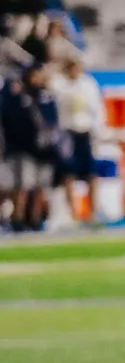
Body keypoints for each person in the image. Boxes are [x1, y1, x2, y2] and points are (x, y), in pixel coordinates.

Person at [1, 63, 57, 232]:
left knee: (39, 186)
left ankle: (35, 219)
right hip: (22, 148)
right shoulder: (18, 98)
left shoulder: (44, 97)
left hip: (42, 149)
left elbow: (52, 122)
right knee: (20, 186)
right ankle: (17, 219)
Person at [49, 54, 101, 224]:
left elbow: (97, 109)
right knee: (69, 175)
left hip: (85, 132)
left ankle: (93, 212)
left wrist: (98, 131)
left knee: (91, 175)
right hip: (68, 133)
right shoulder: (60, 85)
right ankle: (74, 214)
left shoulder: (88, 84)